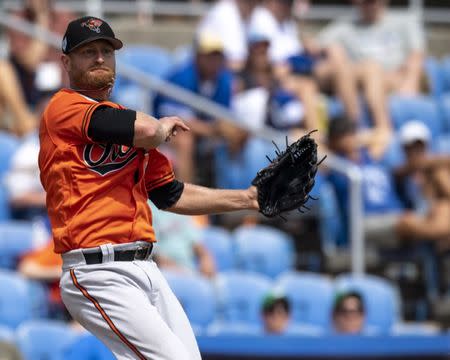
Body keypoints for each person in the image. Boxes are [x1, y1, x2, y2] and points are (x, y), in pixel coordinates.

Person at [38, 16, 260, 360]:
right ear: (66, 62)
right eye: (88, 52)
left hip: (145, 265)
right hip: (96, 270)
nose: (99, 58)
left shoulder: (128, 123)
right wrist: (160, 127)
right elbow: (148, 131)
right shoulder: (63, 108)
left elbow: (170, 194)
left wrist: (247, 198)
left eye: (106, 51)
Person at [154, 31, 248, 184]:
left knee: (240, 133)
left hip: (206, 131)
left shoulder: (224, 80)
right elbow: (175, 122)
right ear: (198, 56)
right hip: (164, 133)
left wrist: (228, 129)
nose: (214, 61)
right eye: (209, 55)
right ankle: (186, 198)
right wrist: (214, 130)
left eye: (217, 56)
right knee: (185, 140)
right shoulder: (180, 77)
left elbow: (226, 116)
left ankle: (231, 192)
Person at [318, 0, 426, 97]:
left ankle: (358, 116)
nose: (370, 5)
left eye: (372, 1)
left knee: (371, 71)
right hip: (360, 81)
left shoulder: (405, 21)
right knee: (366, 70)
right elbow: (315, 45)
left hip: (395, 79)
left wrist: (410, 82)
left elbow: (417, 56)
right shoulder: (344, 26)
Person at [150, 203, 216, 278]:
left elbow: (196, 242)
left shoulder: (178, 203)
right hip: (164, 272)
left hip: (190, 270)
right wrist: (185, 274)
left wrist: (205, 258)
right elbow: (155, 256)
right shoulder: (144, 207)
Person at [197, 0, 261, 70]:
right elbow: (236, 63)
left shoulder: (250, 13)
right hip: (198, 73)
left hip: (217, 72)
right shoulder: (226, 11)